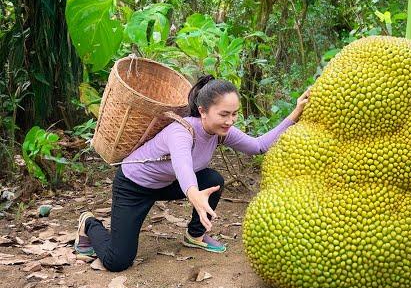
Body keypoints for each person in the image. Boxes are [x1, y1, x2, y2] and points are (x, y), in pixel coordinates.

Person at [74, 75, 311, 272]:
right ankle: (89, 224)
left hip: (166, 184)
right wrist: (193, 194)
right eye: (224, 114)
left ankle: (194, 236)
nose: (230, 121)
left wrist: (295, 113)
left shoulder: (222, 132)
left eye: (234, 114)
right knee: (118, 261)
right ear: (203, 111)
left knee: (213, 180)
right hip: (133, 186)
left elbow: (258, 146)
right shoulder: (182, 131)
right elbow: (182, 165)